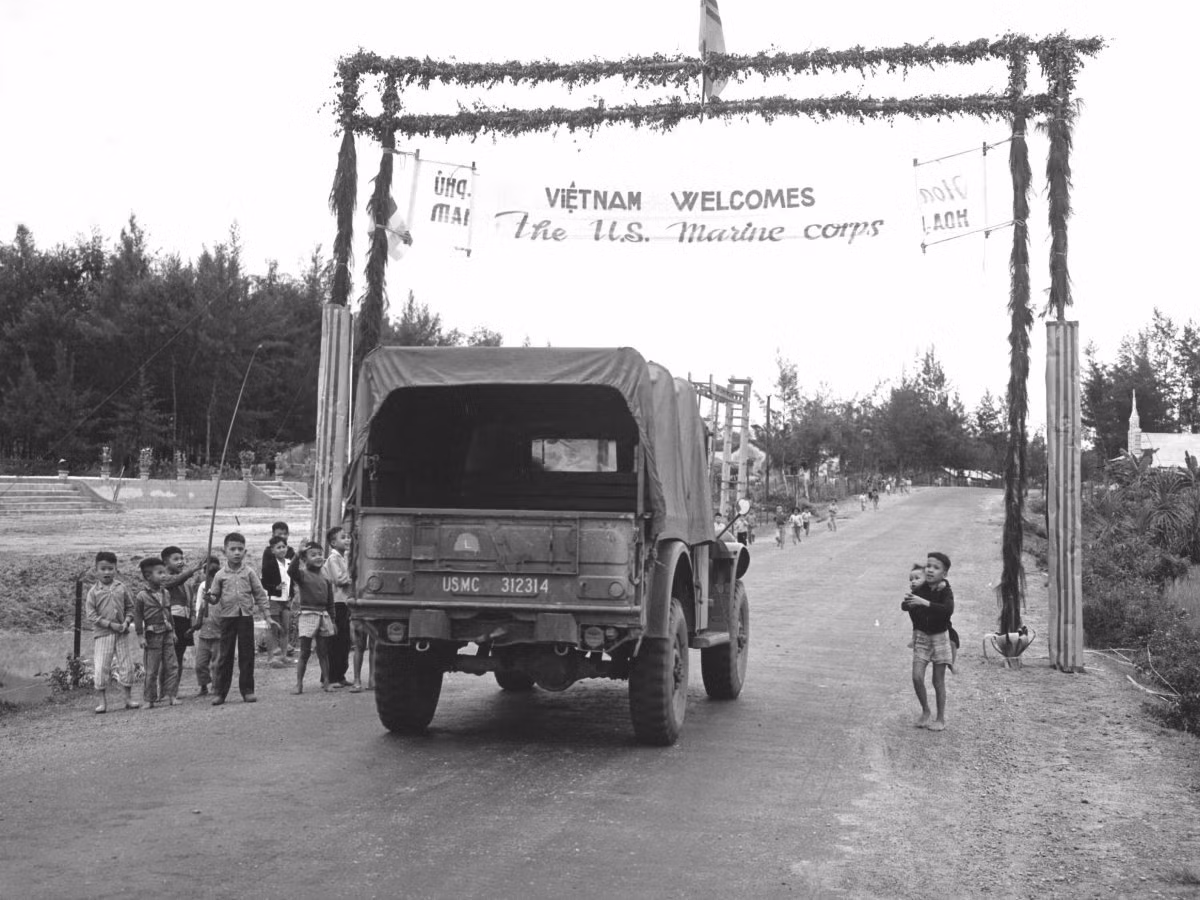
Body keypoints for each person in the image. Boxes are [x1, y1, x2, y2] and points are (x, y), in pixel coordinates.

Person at [207, 532, 274, 705]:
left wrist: (267, 616)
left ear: (245, 551)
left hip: (245, 618)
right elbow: (214, 597)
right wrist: (210, 597)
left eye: (240, 549)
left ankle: (247, 690)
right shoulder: (220, 575)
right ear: (225, 551)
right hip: (227, 618)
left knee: (247, 655)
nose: (237, 552)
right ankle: (220, 693)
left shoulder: (249, 573)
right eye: (233, 549)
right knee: (225, 656)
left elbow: (260, 595)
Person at [901, 551, 956, 731]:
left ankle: (940, 718)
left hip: (940, 638)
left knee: (937, 681)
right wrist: (913, 597)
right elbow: (904, 605)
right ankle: (925, 711)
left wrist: (922, 602)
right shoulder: (920, 588)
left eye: (936, 567)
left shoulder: (945, 590)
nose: (931, 570)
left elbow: (947, 610)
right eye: (928, 566)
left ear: (944, 574)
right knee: (917, 677)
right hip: (922, 638)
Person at [84, 551, 140, 714]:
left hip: (121, 633)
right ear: (96, 570)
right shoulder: (93, 592)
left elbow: (130, 607)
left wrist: (126, 622)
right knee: (102, 667)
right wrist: (110, 625)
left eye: (110, 569)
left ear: (116, 569)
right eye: (103, 569)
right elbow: (91, 615)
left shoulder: (121, 587)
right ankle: (102, 702)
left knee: (126, 666)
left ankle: (128, 699)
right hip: (103, 635)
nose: (107, 572)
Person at [134, 557, 181, 708]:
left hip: (167, 633)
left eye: (164, 572)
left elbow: (169, 612)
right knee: (151, 669)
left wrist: (173, 631)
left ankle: (172, 695)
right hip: (152, 635)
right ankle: (149, 699)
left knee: (172, 665)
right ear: (148, 576)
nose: (164, 576)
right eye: (159, 573)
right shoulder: (141, 596)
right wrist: (140, 636)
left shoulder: (166, 593)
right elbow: (138, 616)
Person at [291, 541, 335, 694]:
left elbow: (331, 602)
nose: (318, 557)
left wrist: (333, 620)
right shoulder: (302, 575)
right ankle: (299, 684)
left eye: (320, 554)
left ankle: (327, 682)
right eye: (313, 554)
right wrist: (297, 554)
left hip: (323, 615)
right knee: (304, 652)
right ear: (304, 559)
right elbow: (291, 571)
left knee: (323, 652)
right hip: (308, 614)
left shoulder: (326, 578)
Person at [161, 546, 201, 674]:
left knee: (179, 657)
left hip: (184, 621)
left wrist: (192, 620)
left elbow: (191, 602)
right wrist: (193, 570)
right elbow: (174, 581)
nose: (180, 561)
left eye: (181, 558)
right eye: (176, 559)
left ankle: (173, 691)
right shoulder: (163, 578)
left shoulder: (186, 583)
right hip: (171, 622)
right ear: (165, 562)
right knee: (169, 659)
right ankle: (164, 691)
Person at [322, 526, 354, 688]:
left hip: (345, 602)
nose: (347, 540)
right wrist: (353, 576)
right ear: (333, 543)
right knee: (335, 640)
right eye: (343, 537)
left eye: (348, 537)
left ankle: (340, 674)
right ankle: (330, 677)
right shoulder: (333, 559)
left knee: (344, 641)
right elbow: (339, 579)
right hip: (336, 603)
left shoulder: (344, 557)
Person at [260, 535, 296, 668]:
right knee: (273, 628)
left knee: (285, 628)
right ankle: (271, 657)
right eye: (278, 547)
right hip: (274, 599)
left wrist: (291, 594)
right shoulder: (269, 565)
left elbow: (291, 580)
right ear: (273, 550)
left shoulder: (289, 563)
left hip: (286, 600)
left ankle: (284, 656)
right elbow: (263, 582)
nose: (282, 549)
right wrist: (274, 588)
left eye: (283, 547)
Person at [192, 556, 223, 697]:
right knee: (200, 664)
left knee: (216, 664)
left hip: (219, 632)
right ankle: (203, 685)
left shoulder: (223, 585)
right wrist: (195, 625)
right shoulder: (203, 587)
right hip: (205, 632)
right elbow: (199, 608)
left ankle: (216, 687)